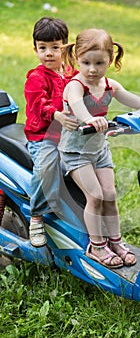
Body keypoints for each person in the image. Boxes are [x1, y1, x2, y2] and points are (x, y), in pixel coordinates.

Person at [59, 28, 140, 268]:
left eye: (100, 63)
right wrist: (89, 119)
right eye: (86, 63)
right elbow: (78, 107)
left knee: (110, 194)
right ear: (77, 58)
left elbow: (137, 102)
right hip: (76, 152)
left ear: (110, 60)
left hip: (99, 150)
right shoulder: (76, 86)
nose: (92, 69)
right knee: (95, 196)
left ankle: (115, 242)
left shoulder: (109, 85)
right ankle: (96, 246)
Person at [24, 17, 79, 247]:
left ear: (64, 48)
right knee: (47, 165)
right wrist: (55, 114)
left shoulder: (71, 74)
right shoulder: (36, 78)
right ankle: (36, 216)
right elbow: (38, 104)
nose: (48, 53)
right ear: (35, 48)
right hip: (43, 136)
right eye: (42, 48)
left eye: (55, 47)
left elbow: (87, 89)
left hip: (69, 135)